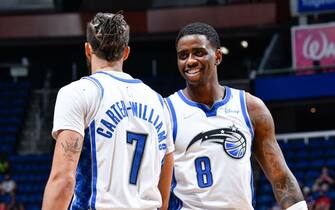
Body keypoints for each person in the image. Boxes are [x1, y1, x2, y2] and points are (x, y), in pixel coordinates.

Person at [165, 22, 307, 210]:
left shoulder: (251, 108)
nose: (190, 61)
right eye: (183, 56)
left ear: (217, 57)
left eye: (198, 52)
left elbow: (281, 177)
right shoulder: (166, 110)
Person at [42, 11, 174, 210]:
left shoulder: (79, 92)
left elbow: (63, 181)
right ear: (126, 52)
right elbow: (164, 191)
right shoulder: (159, 102)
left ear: (87, 50)